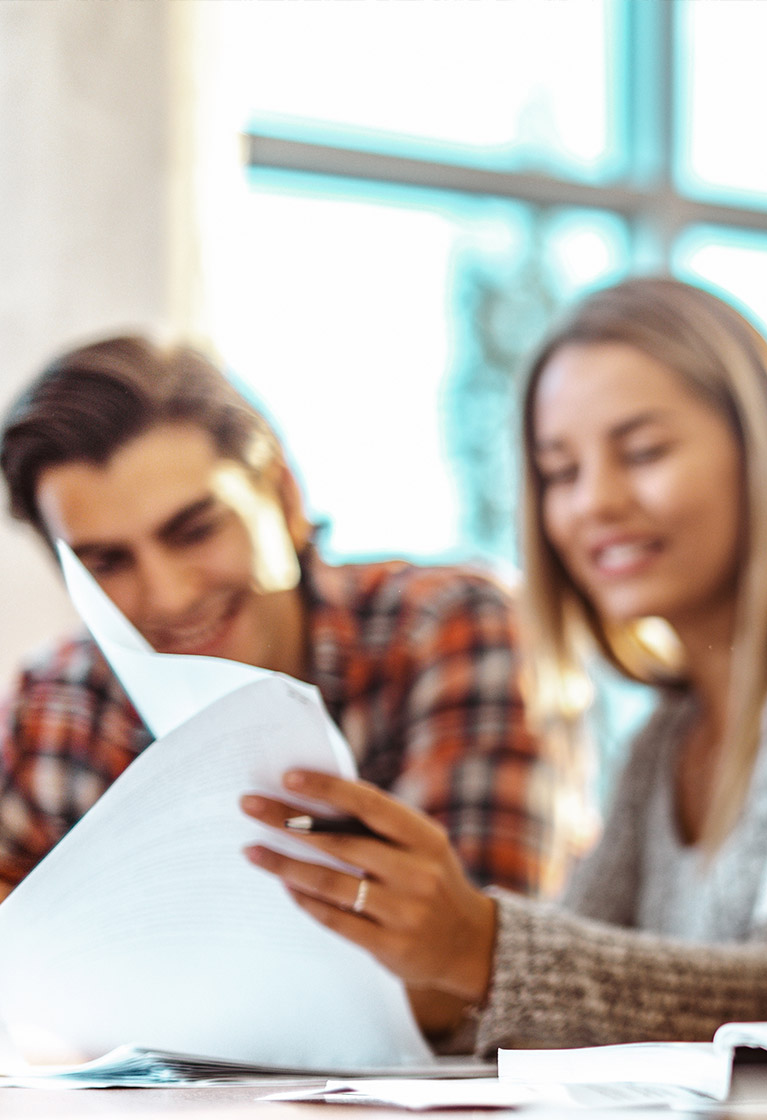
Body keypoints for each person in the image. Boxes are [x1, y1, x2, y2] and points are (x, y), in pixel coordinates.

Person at [240, 278, 767, 1050]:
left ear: (757, 451)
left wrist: (478, 951)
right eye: (560, 472)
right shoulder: (665, 739)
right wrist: (430, 967)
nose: (592, 501)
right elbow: (581, 971)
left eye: (641, 452)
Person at [0, 337, 564, 1036]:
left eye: (196, 529)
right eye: (108, 563)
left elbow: (476, 972)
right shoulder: (53, 702)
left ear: (285, 497)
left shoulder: (444, 627)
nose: (169, 596)